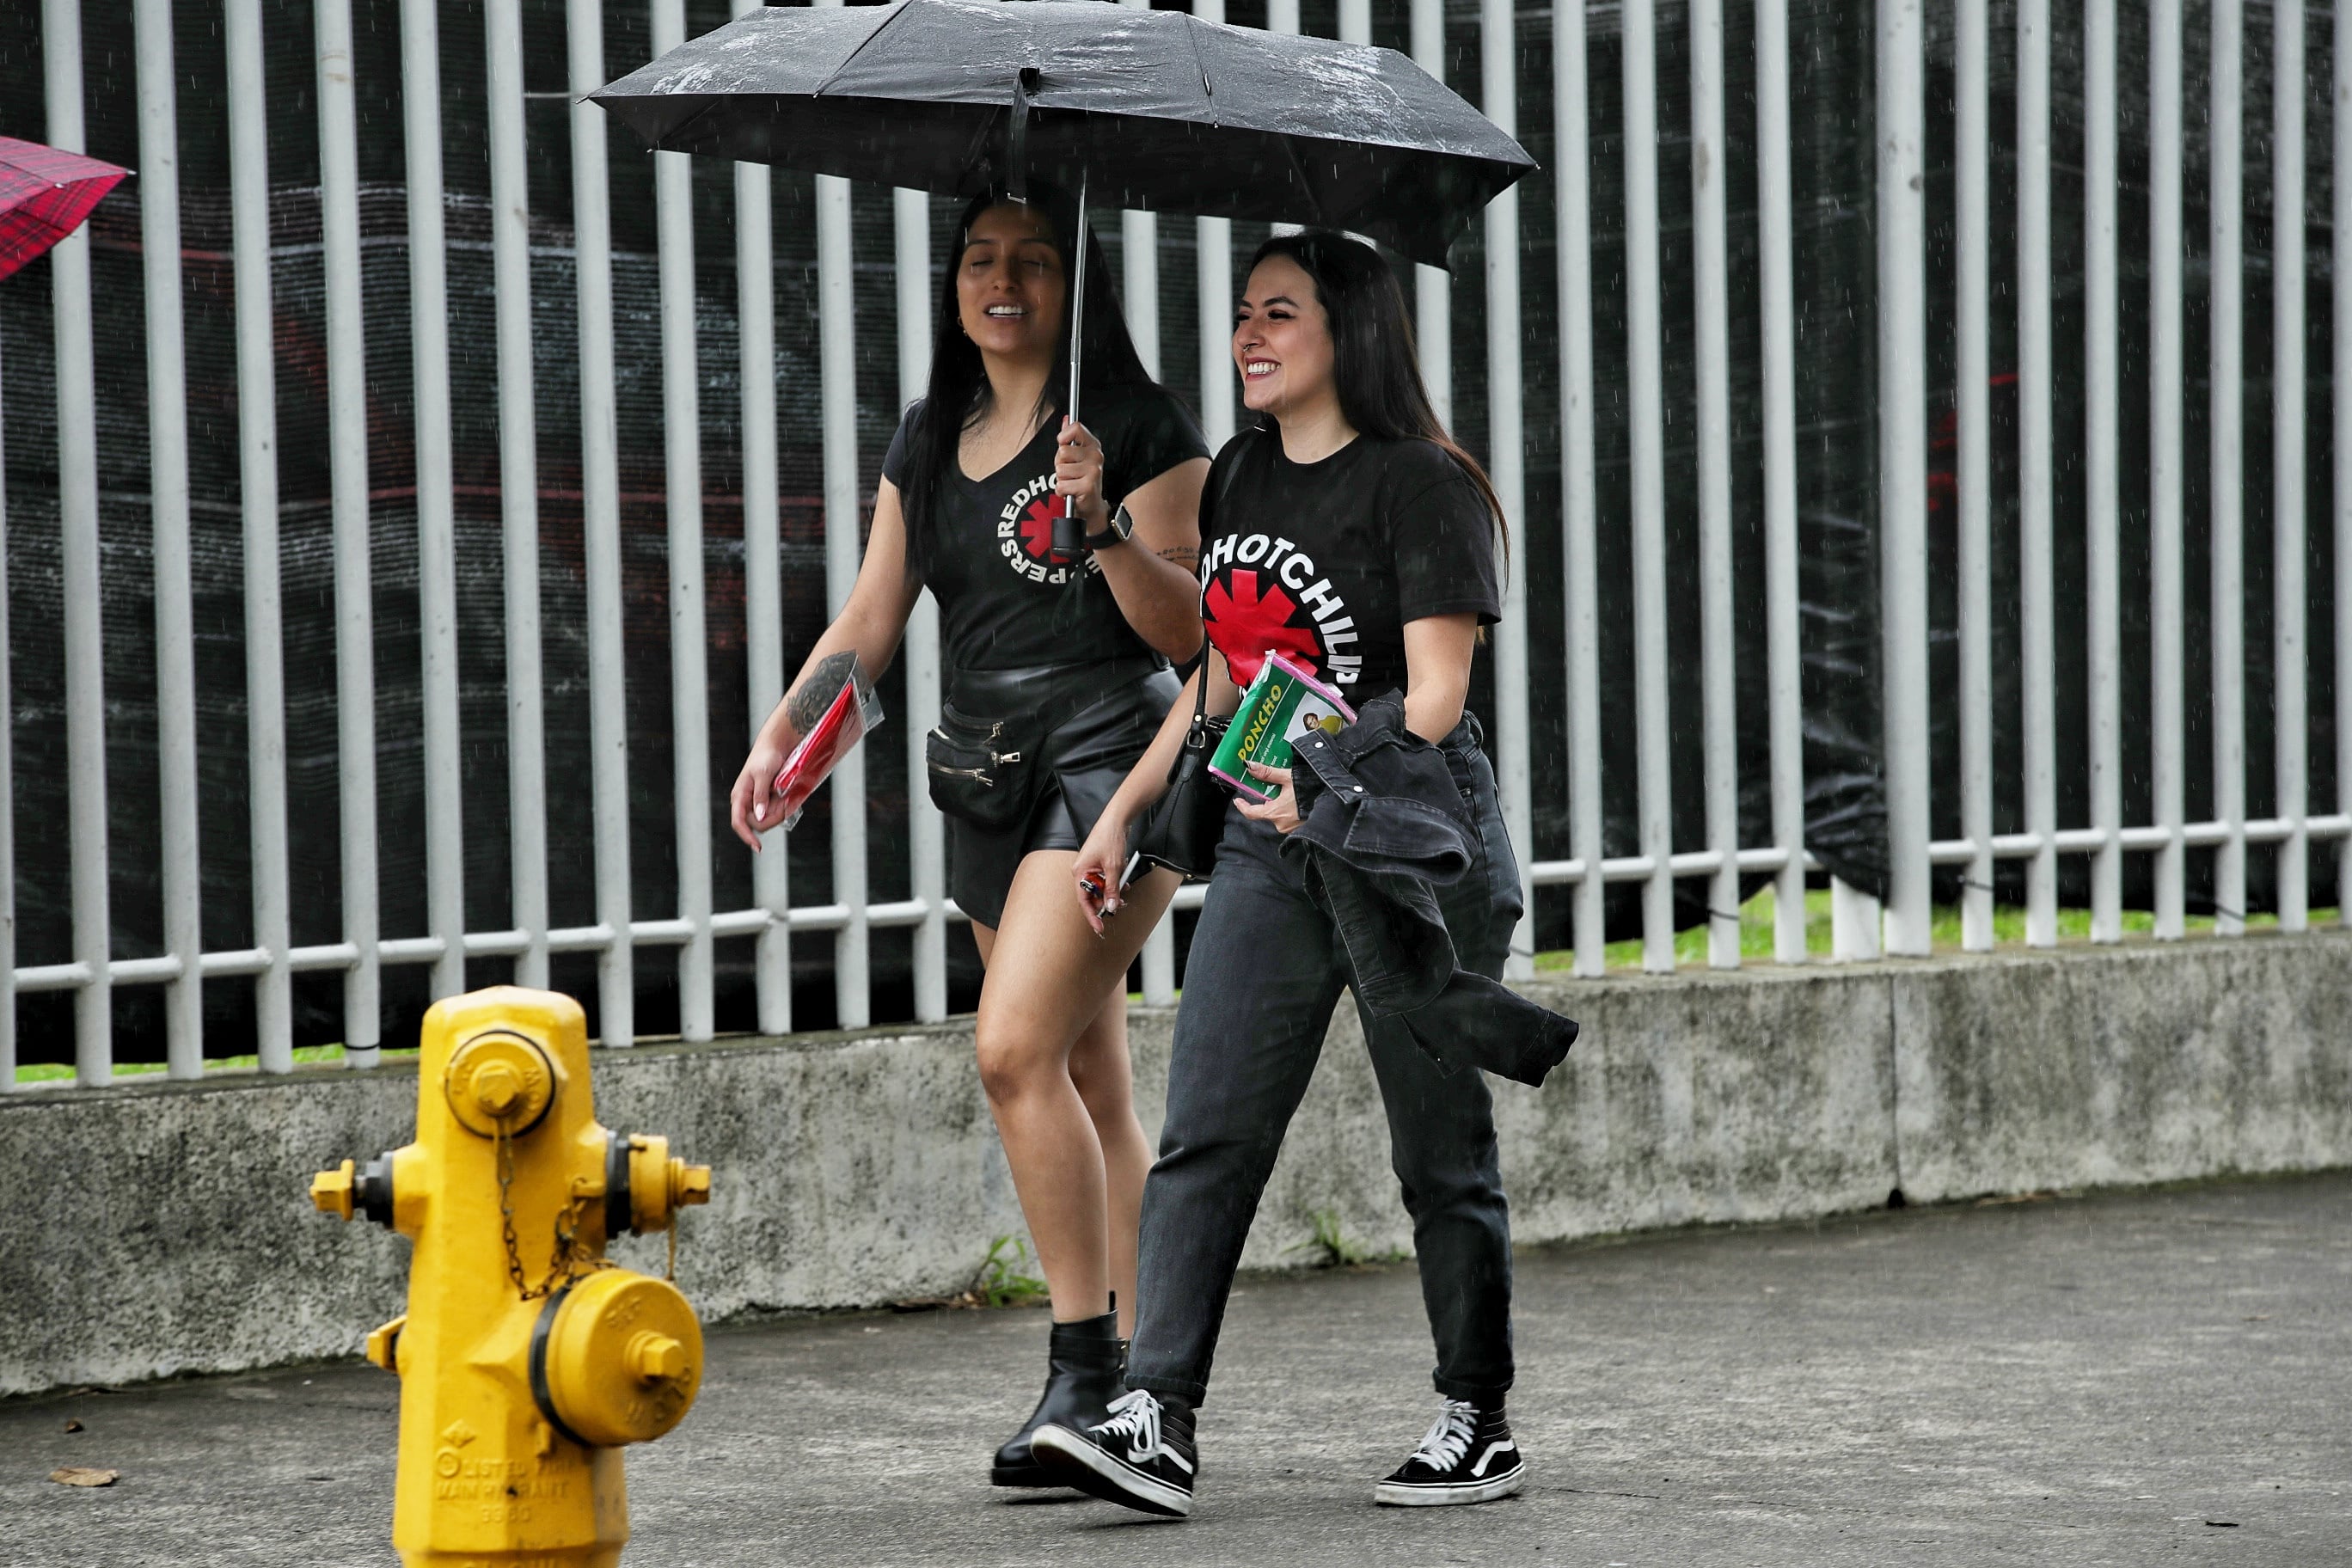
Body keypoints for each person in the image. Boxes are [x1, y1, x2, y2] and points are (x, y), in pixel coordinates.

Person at [1036, 230, 1528, 1516]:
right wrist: (1131, 809)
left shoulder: (1425, 486)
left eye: (1278, 314)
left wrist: (1326, 785)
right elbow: (1223, 666)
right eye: (1243, 313)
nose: (1247, 336)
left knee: (1440, 1150)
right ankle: (1153, 1413)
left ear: (1345, 333)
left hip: (1408, 844)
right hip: (1269, 829)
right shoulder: (1244, 471)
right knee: (1208, 1127)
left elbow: (1433, 696)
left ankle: (1476, 1414)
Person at [728, 187, 1210, 1487]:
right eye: (982, 261)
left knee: (1008, 1055)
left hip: (1113, 769)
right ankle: (1145, 1392)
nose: (1004, 282)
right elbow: (873, 615)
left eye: (1035, 261)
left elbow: (1191, 637)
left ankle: (1085, 1375)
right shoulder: (930, 436)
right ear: (953, 283)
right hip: (984, 780)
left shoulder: (1143, 424)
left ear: (1075, 280)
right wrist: (788, 734)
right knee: (1087, 1088)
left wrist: (1103, 520)